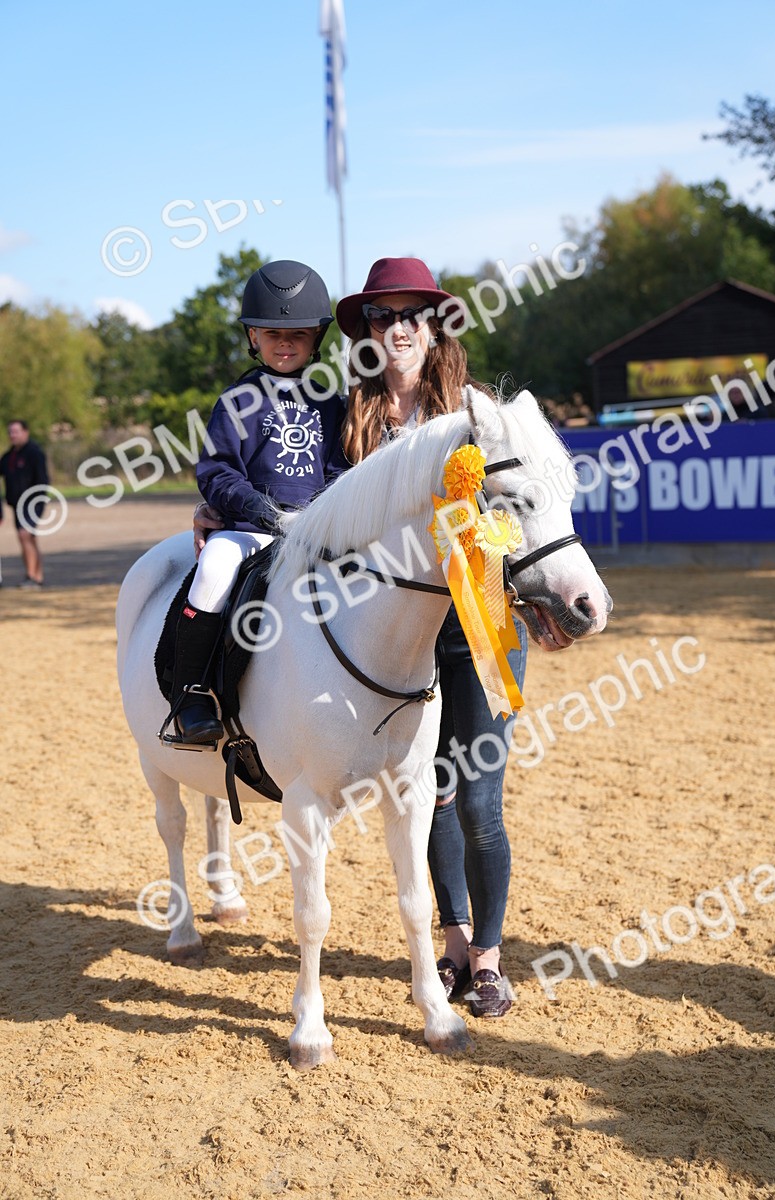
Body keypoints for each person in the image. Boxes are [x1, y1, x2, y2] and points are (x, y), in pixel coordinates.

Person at [335, 258, 528, 1018]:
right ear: (370, 334)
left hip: (477, 622)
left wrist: (488, 541)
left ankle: (489, 956)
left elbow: (518, 513)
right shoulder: (353, 418)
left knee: (480, 802)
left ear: (437, 327)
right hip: (397, 640)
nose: (398, 328)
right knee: (431, 796)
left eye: (413, 314)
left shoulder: (479, 413)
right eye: (383, 317)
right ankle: (449, 946)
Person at [171, 259, 345, 747]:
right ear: (253, 337)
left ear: (316, 339)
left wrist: (320, 513)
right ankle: (190, 695)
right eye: (272, 334)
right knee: (213, 571)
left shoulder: (332, 403)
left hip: (314, 530)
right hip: (248, 531)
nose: (285, 344)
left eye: (297, 334)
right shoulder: (236, 399)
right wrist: (261, 510)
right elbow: (217, 468)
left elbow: (339, 467)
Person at [0, 419, 49, 588]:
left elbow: (43, 479)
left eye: (16, 431)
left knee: (25, 535)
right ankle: (37, 576)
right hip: (16, 505)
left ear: (25, 432)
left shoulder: (34, 453)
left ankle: (31, 577)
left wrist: (39, 500)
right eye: (10, 432)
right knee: (28, 539)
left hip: (33, 502)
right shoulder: (8, 457)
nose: (13, 435)